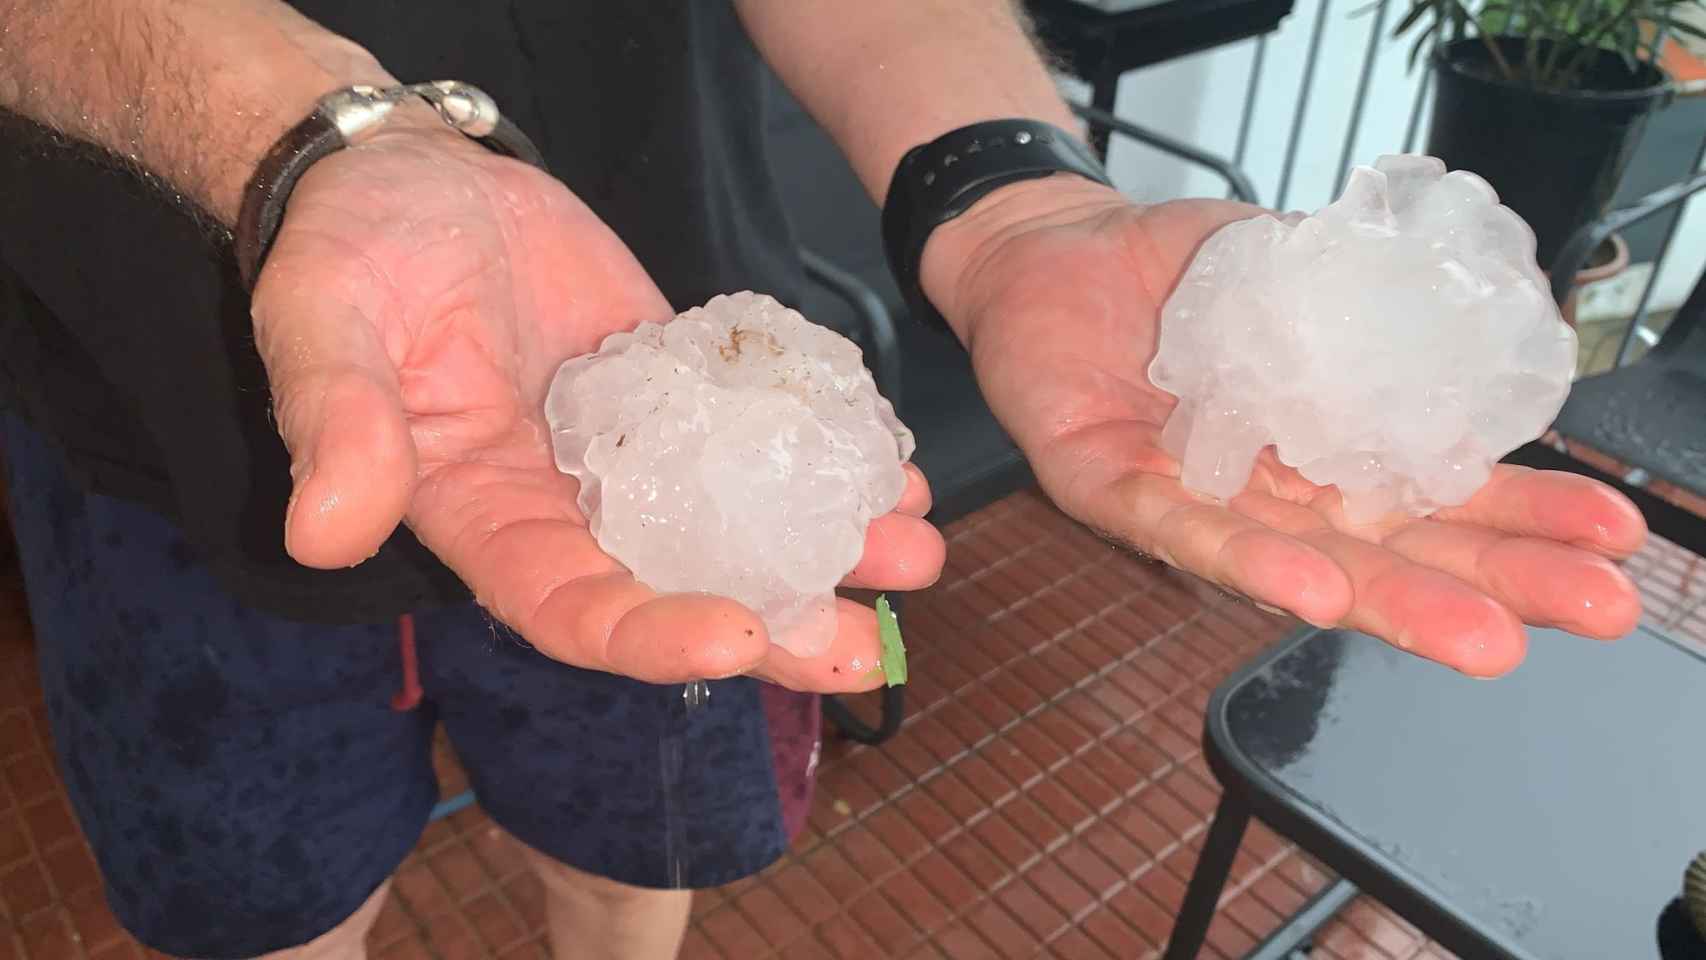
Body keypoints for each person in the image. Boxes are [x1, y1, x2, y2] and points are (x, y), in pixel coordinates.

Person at [0, 1, 1648, 958]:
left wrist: (1008, 194)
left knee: (633, 850)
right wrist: (292, 134)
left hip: (642, 333)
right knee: (268, 915)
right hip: (143, 408)